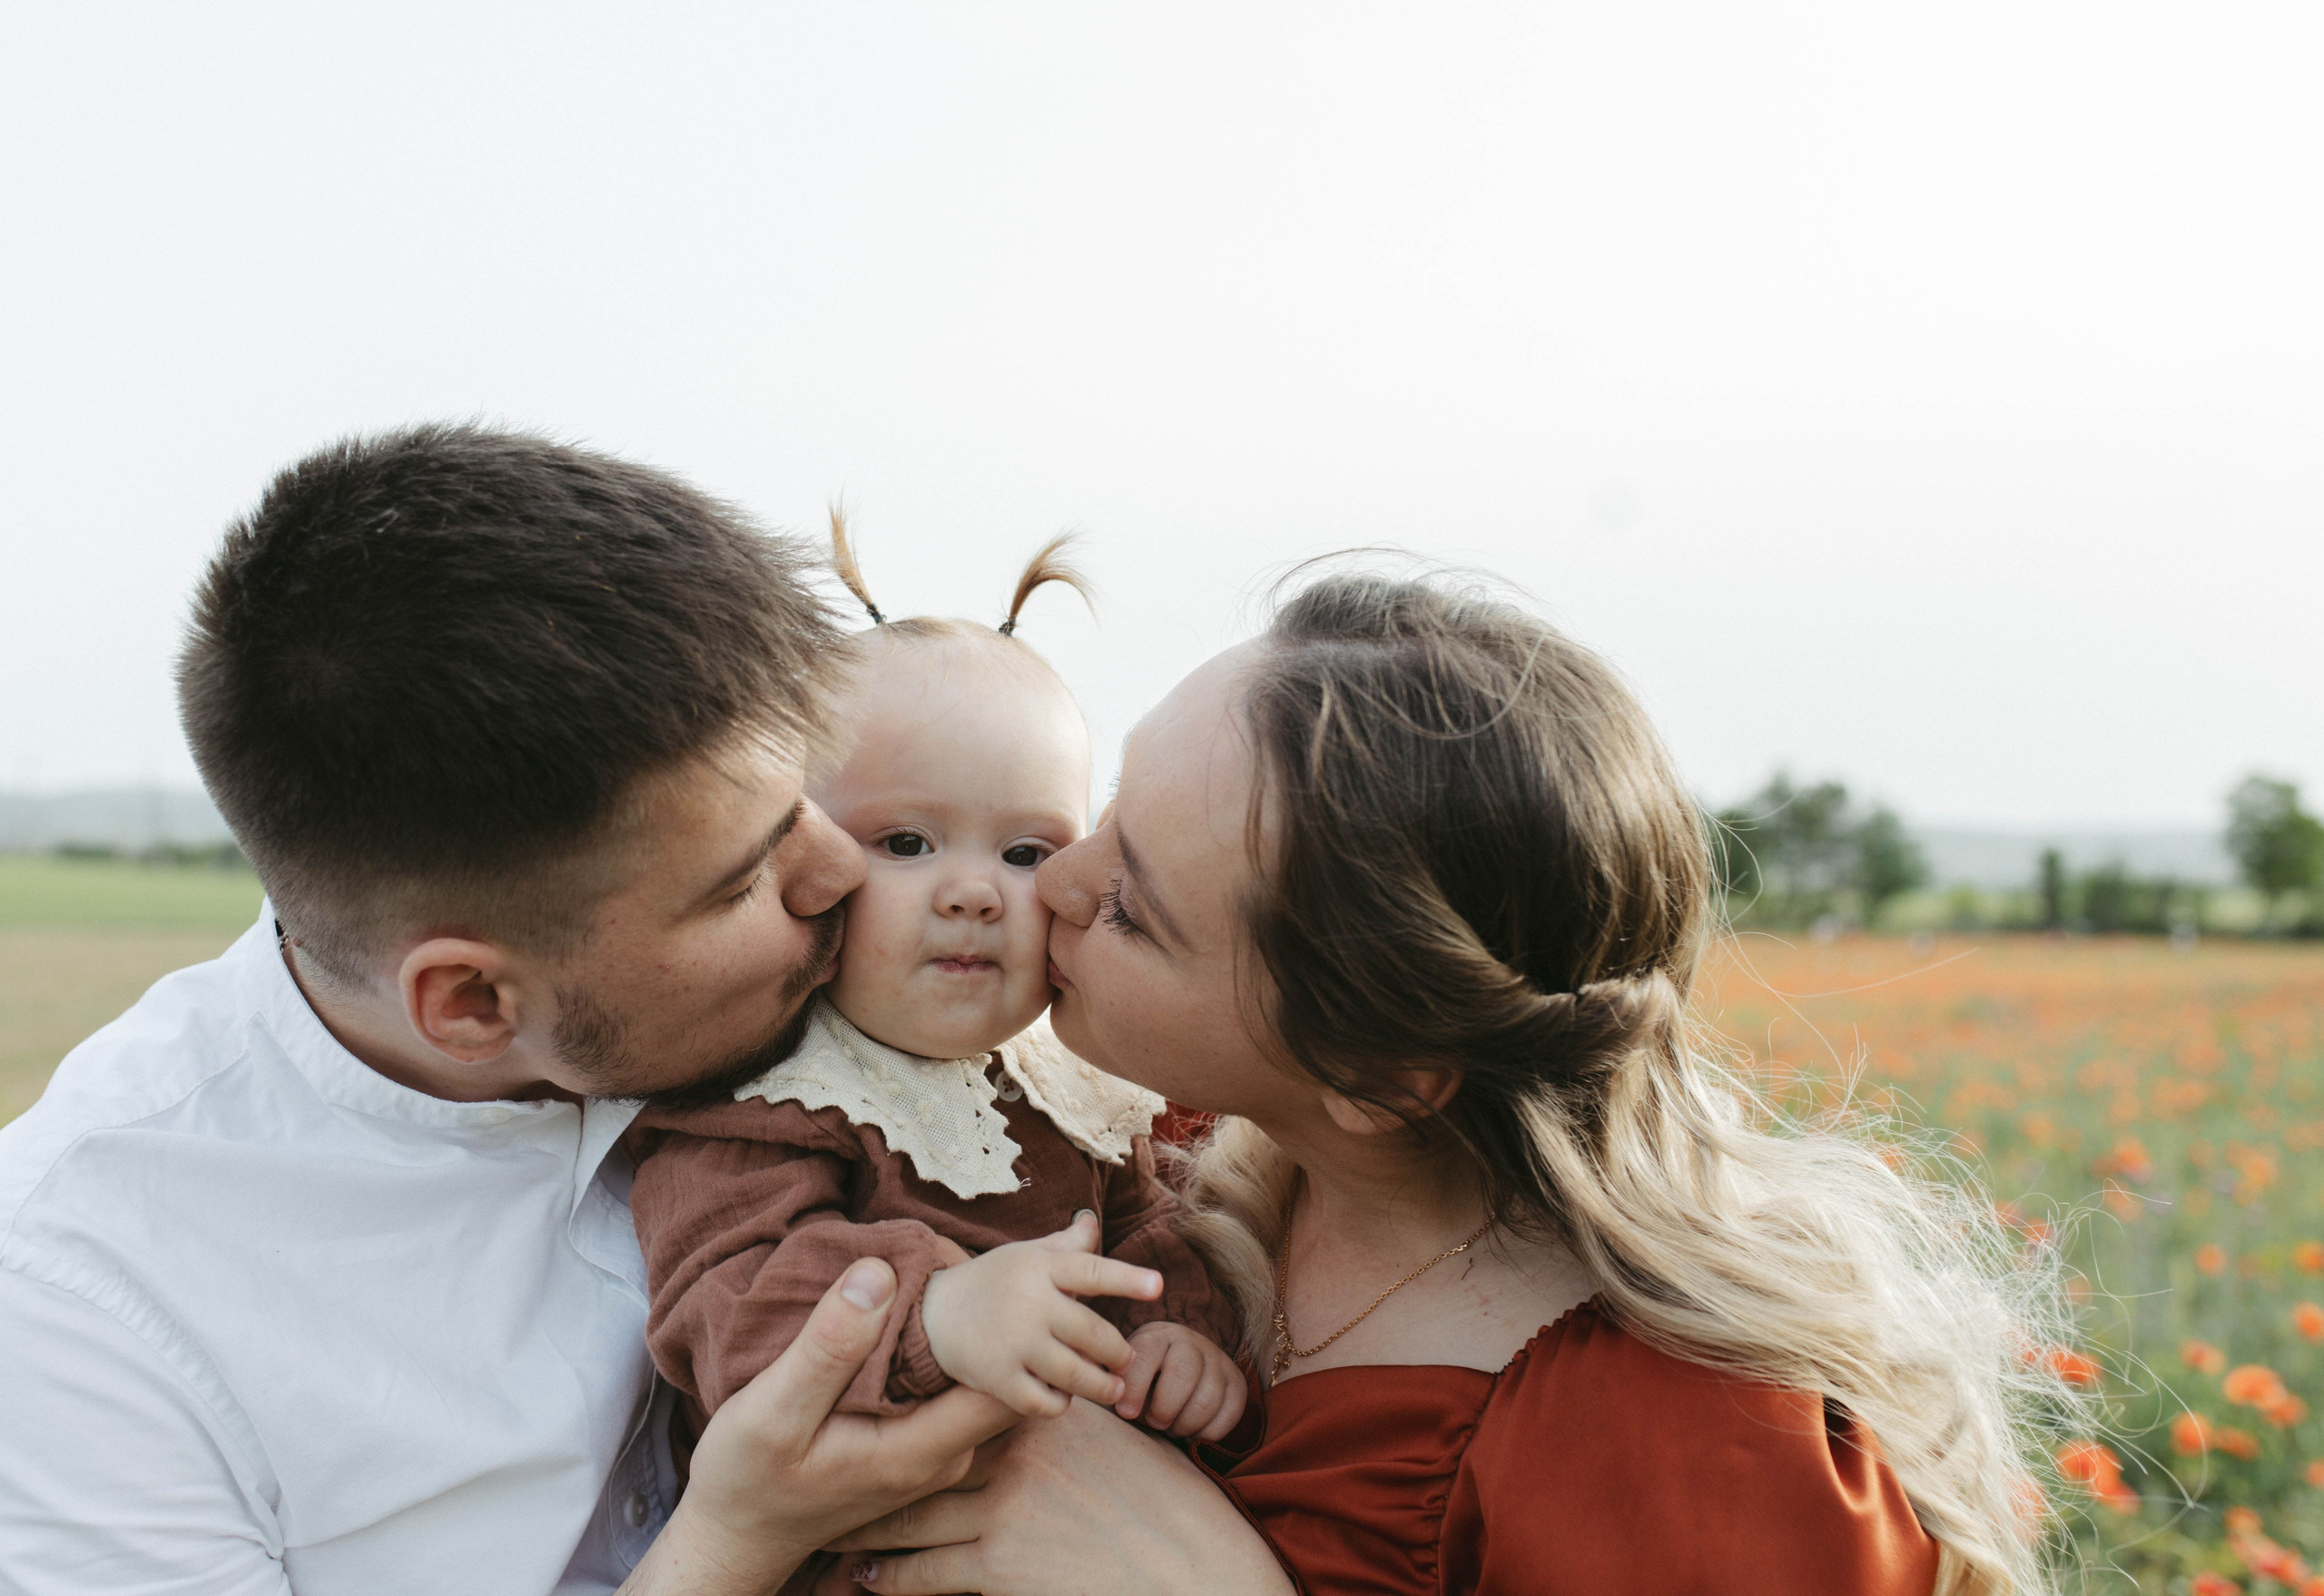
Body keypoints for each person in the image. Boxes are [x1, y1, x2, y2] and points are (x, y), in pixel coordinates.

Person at [833, 569, 2074, 1596]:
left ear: (1376, 1075)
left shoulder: (1683, 1443)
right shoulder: (1159, 1151)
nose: (1050, 883)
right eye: (1101, 815)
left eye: (1132, 906)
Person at [0, 427, 1013, 1595]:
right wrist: (736, 1540)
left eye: (809, 800)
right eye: (741, 879)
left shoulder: (830, 995)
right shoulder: (79, 1316)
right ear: (474, 1003)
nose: (839, 874)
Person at [624, 519, 1244, 1483]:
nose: (975, 892)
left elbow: (1148, 1231)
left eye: (1026, 853)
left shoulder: (1071, 1088)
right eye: (907, 844)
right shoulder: (776, 1097)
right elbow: (727, 1312)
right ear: (805, 858)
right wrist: (937, 1313)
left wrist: (1173, 1334)